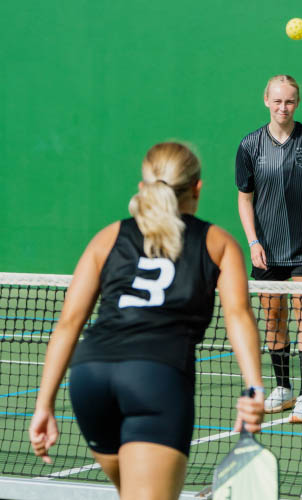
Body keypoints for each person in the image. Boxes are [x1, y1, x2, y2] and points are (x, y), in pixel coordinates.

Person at [28, 142, 267, 499]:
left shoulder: (108, 237)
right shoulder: (218, 242)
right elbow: (238, 316)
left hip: (90, 379)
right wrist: (254, 389)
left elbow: (68, 324)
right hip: (155, 379)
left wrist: (43, 404)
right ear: (197, 188)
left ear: (143, 187)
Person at [235, 75, 302, 424]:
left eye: (289, 101)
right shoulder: (250, 146)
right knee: (273, 315)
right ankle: (284, 387)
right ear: (266, 100)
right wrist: (252, 242)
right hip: (266, 249)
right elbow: (244, 199)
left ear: (297, 103)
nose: (283, 107)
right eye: (277, 101)